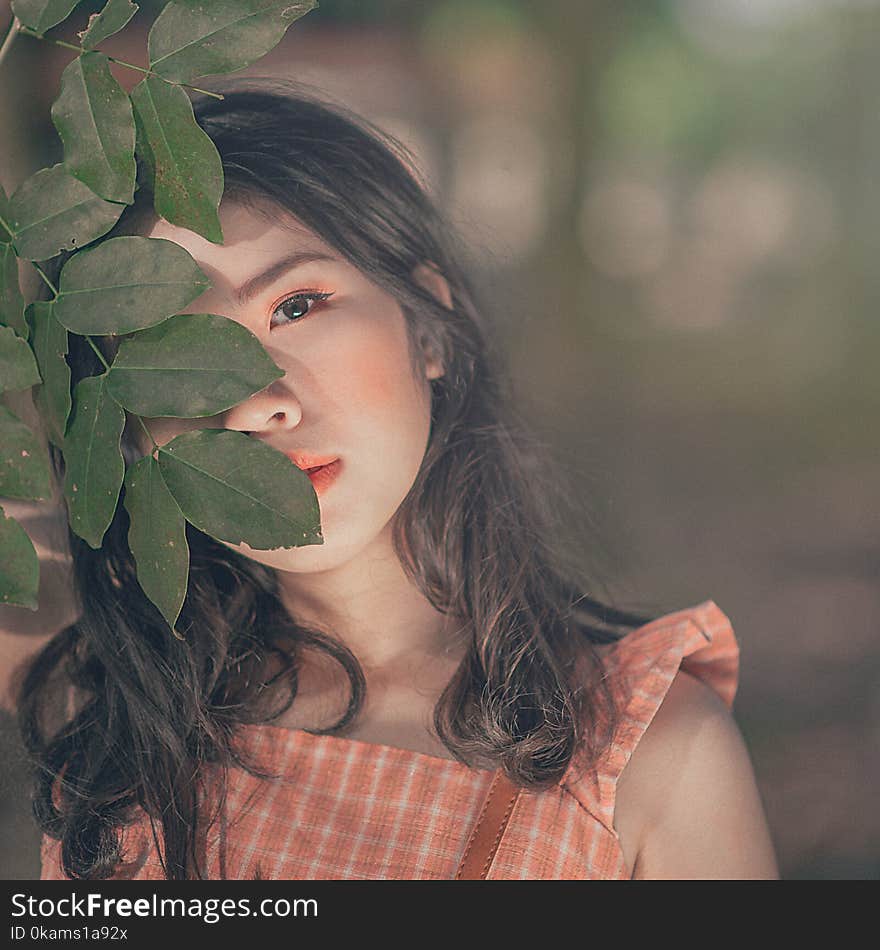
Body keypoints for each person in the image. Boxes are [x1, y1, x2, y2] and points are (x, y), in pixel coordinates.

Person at [9, 80, 778, 880]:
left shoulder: (650, 758)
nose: (256, 405)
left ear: (429, 329)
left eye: (298, 305)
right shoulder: (113, 734)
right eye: (172, 355)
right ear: (127, 426)